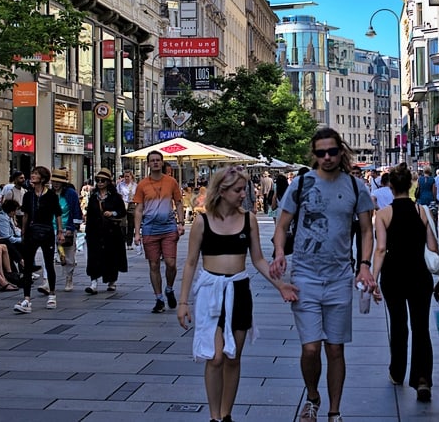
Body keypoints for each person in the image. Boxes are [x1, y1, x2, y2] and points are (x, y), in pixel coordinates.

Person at [270, 128, 376, 422]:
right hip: (304, 275)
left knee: (335, 348)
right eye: (320, 153)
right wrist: (279, 252)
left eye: (332, 151)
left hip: (340, 276)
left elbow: (367, 230)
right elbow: (282, 225)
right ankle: (313, 395)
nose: (327, 157)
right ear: (313, 155)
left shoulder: (356, 187)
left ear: (341, 151)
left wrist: (365, 264)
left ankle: (334, 411)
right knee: (310, 348)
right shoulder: (302, 184)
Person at [177, 166, 298, 422]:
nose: (244, 194)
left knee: (233, 357)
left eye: (244, 189)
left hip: (239, 289)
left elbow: (258, 259)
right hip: (211, 292)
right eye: (238, 190)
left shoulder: (248, 219)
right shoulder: (202, 220)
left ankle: (226, 414)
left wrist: (281, 285)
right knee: (216, 356)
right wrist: (183, 301)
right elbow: (190, 262)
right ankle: (214, 415)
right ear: (222, 191)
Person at [370, 163, 439, 401]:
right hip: (419, 275)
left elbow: (381, 249)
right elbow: (433, 247)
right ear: (411, 185)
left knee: (399, 324)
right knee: (421, 327)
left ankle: (397, 371)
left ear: (390, 187)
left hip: (393, 275)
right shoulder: (422, 211)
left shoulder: (382, 215)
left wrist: (373, 278)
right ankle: (423, 380)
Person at [133, 150, 185, 313]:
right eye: (152, 160)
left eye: (158, 160)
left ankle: (169, 289)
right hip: (150, 228)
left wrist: (181, 222)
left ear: (162, 163)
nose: (155, 163)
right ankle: (159, 299)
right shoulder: (142, 185)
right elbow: (139, 209)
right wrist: (136, 232)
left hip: (169, 226)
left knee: (170, 263)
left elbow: (178, 202)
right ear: (148, 164)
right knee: (154, 264)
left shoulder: (171, 182)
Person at [13, 167, 66, 314]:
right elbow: (26, 215)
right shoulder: (28, 195)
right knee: (28, 265)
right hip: (32, 231)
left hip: (47, 230)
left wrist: (60, 232)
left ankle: (52, 294)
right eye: (33, 173)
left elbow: (58, 214)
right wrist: (23, 232)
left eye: (36, 174)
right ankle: (27, 299)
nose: (32, 176)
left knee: (49, 263)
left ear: (42, 178)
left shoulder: (51, 196)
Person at [84, 168, 128, 294]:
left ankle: (112, 281)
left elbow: (122, 212)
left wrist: (112, 213)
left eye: (103, 180)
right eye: (98, 180)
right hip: (95, 231)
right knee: (94, 257)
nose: (100, 182)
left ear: (108, 182)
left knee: (111, 256)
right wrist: (87, 232)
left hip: (111, 231)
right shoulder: (93, 197)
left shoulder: (115, 197)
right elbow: (90, 215)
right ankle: (93, 283)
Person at [47, 169, 82, 292]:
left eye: (58, 181)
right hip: (50, 227)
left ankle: (69, 278)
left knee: (68, 256)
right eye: (54, 181)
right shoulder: (49, 194)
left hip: (66, 227)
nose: (56, 184)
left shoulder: (70, 194)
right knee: (49, 255)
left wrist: (72, 228)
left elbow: (76, 211)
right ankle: (46, 281)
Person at [117, 169, 137, 248]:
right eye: (125, 176)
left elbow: (137, 195)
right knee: (123, 224)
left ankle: (129, 243)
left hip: (131, 204)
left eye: (128, 176)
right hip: (123, 204)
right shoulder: (120, 185)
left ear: (131, 177)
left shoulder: (135, 185)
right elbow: (117, 194)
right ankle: (124, 240)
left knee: (131, 224)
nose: (126, 178)